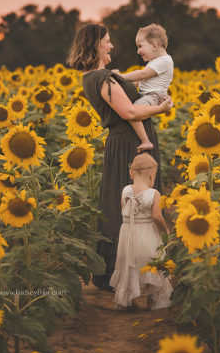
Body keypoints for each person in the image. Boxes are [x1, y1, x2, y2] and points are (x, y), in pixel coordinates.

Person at [66, 24, 173, 292]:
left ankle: (130, 271)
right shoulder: (103, 78)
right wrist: (161, 108)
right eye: (108, 42)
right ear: (95, 46)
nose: (111, 46)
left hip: (124, 140)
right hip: (130, 143)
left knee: (121, 203)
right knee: (133, 207)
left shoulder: (93, 78)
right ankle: (127, 273)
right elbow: (129, 113)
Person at [109, 152, 172, 310]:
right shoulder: (154, 194)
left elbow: (124, 211)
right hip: (147, 236)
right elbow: (157, 217)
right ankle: (154, 300)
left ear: (131, 173)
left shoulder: (125, 191)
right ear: (152, 174)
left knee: (129, 266)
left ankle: (128, 301)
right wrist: (165, 231)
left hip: (127, 236)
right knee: (152, 263)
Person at [113, 24, 174, 153]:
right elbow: (140, 80)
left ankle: (145, 141)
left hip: (153, 96)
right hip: (148, 95)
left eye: (140, 46)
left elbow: (142, 75)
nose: (138, 51)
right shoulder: (156, 61)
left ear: (154, 45)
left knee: (131, 112)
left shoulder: (165, 61)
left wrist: (120, 77)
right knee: (130, 110)